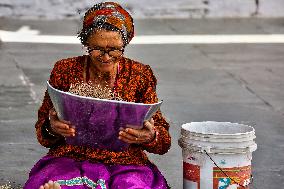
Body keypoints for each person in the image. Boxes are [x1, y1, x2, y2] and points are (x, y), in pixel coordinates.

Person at [24, 2, 171, 189]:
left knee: (131, 185)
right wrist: (52, 128)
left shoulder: (140, 74)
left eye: (114, 49)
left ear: (124, 44)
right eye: (97, 49)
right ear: (86, 43)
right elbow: (43, 133)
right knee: (57, 181)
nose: (106, 56)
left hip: (125, 162)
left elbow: (164, 142)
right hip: (71, 156)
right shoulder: (64, 70)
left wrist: (150, 136)